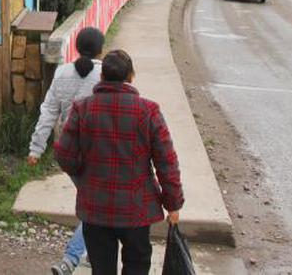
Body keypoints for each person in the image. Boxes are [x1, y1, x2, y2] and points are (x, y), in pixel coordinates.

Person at [54, 50, 183, 275]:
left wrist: (82, 173)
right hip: (137, 209)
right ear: (131, 76)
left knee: (101, 268)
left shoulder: (83, 108)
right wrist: (173, 203)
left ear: (102, 77)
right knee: (137, 263)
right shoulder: (148, 111)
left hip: (95, 207)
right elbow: (167, 162)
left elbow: (64, 154)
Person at [28, 26, 105, 275]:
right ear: (101, 50)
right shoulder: (106, 73)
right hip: (98, 153)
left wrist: (36, 148)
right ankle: (71, 259)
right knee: (95, 205)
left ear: (76, 47)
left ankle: (91, 254)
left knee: (92, 202)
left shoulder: (62, 73)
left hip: (68, 153)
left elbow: (49, 111)